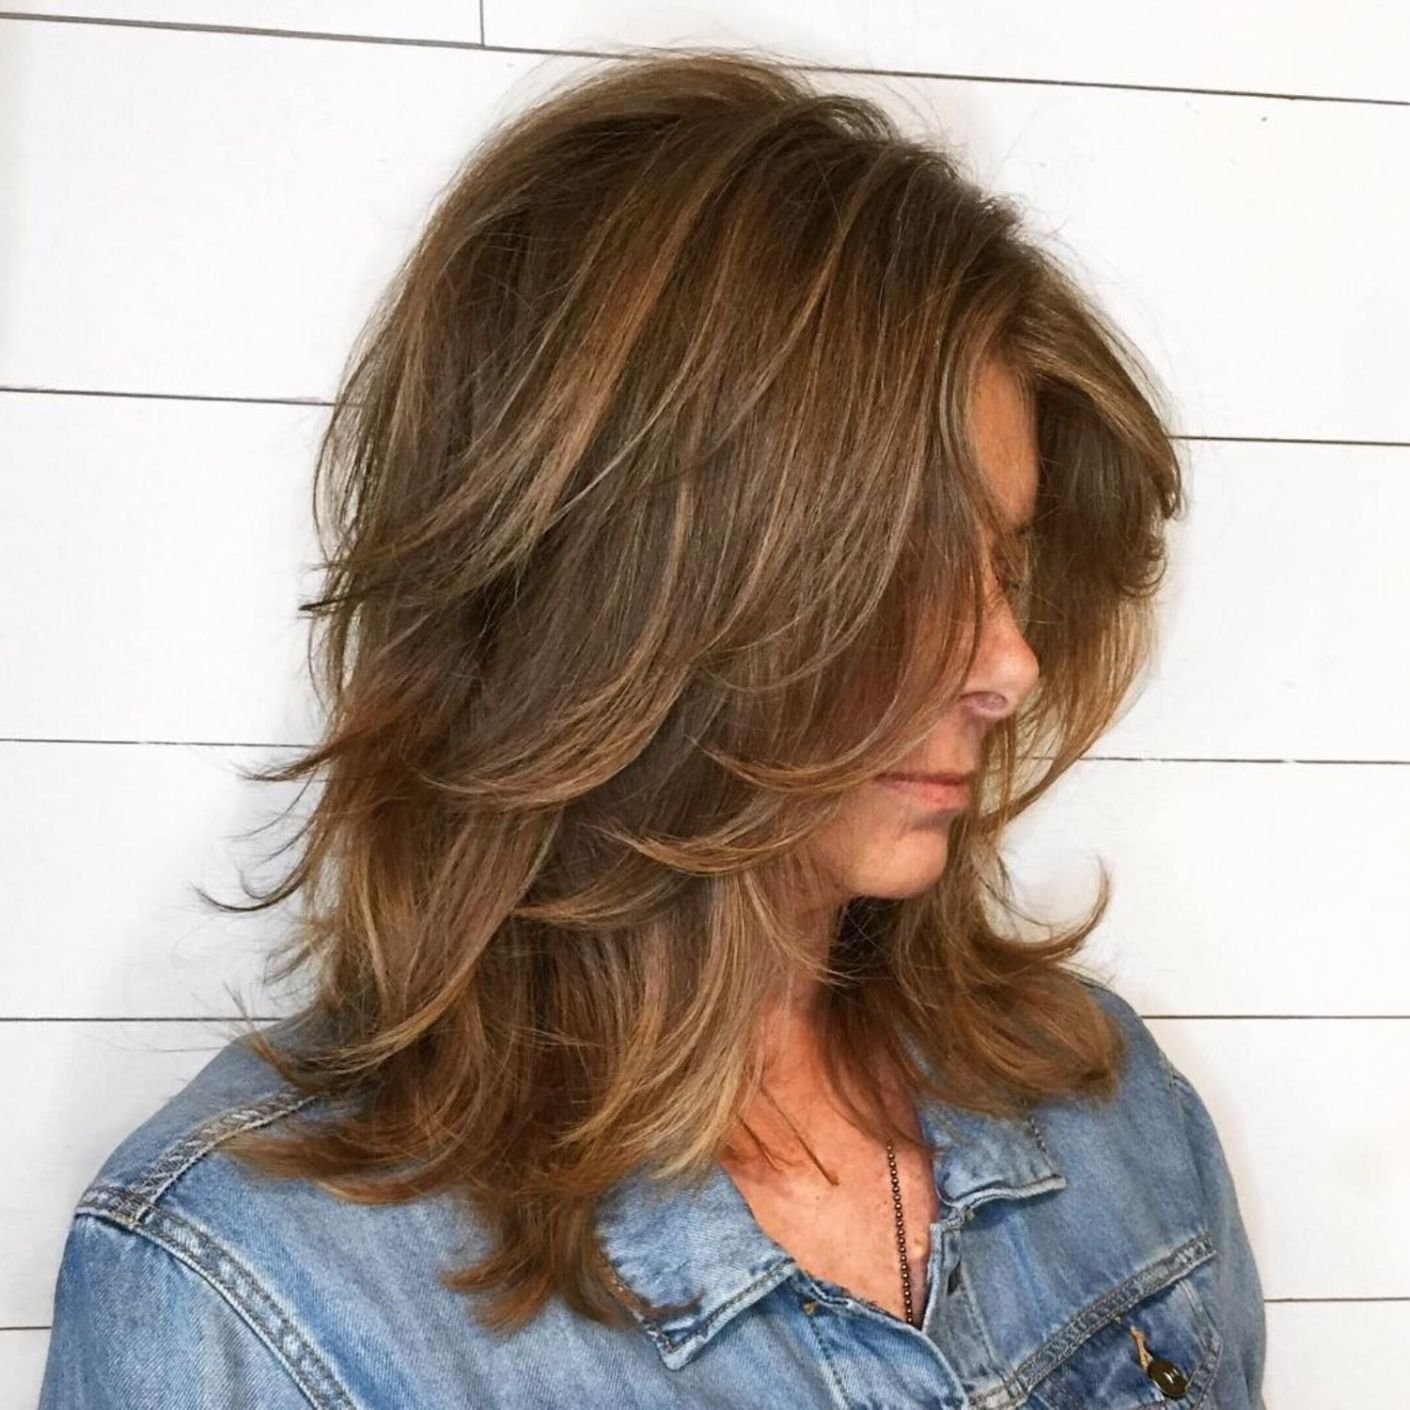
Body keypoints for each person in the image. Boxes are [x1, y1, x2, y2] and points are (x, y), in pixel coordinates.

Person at [38, 47, 1267, 1408]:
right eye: (907, 567)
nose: (1010, 663)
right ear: (632, 592)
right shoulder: (255, 1300)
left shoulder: (1107, 1114)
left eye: (1006, 564)